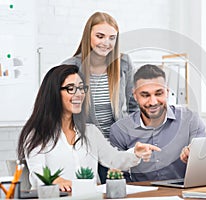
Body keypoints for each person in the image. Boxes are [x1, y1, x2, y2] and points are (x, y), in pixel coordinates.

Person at [17, 65, 160, 192]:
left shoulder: (90, 132)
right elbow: (37, 174)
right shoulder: (36, 134)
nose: (79, 94)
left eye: (81, 88)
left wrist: (135, 153)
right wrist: (56, 181)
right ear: (53, 93)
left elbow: (114, 160)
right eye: (71, 88)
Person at [62, 12, 138, 183]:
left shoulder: (124, 63)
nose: (106, 43)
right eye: (100, 36)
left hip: (117, 147)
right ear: (88, 36)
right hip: (85, 146)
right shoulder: (70, 66)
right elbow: (62, 110)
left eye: (112, 38)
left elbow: (134, 106)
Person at [110, 64, 206, 182]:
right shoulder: (119, 130)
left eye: (159, 93)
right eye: (145, 95)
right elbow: (118, 178)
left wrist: (195, 156)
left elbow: (204, 162)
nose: (153, 102)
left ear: (167, 92)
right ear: (135, 95)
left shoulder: (191, 120)